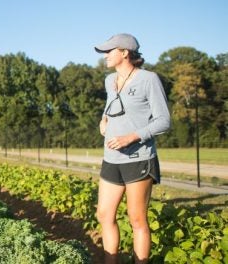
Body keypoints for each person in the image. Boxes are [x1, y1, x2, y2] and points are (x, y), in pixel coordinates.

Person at [94, 33, 171, 263]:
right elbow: (112, 107)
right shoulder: (110, 80)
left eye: (110, 51)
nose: (105, 55)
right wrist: (104, 119)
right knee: (104, 215)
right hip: (111, 159)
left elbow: (164, 121)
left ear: (125, 52)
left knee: (137, 219)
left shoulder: (148, 79)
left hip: (138, 158)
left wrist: (131, 137)